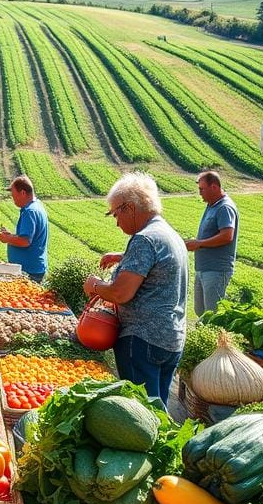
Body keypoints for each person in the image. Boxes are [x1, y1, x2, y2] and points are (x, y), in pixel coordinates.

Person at [83, 172, 188, 408]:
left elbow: (121, 293)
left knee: (143, 414)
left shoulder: (144, 239)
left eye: (115, 213)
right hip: (170, 338)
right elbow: (159, 265)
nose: (116, 221)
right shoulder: (168, 233)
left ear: (129, 207)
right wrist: (123, 257)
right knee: (159, 408)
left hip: (143, 339)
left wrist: (95, 286)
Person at [185, 171, 238, 315]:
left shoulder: (224, 207)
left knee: (212, 314)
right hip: (204, 268)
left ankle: (218, 338)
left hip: (216, 270)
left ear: (214, 187)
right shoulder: (212, 205)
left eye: (202, 189)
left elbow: (227, 236)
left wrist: (200, 243)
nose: (200, 193)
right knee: (200, 311)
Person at [0, 174, 49, 282]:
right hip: (34, 268)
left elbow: (25, 241)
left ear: (22, 193)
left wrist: (6, 239)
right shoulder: (37, 206)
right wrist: (11, 236)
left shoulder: (29, 212)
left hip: (29, 270)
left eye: (13, 195)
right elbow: (27, 236)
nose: (13, 199)